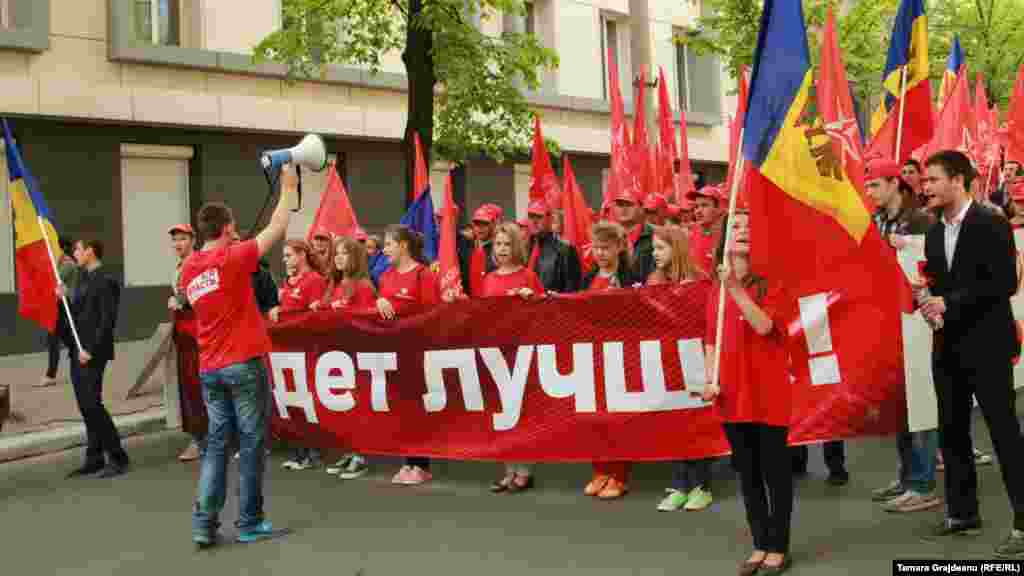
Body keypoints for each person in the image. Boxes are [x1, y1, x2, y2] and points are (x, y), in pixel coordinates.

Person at [179, 164, 297, 548]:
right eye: (232, 226)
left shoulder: (189, 269)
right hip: (243, 362)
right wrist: (289, 185)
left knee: (215, 445)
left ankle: (204, 523)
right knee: (250, 443)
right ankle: (249, 521)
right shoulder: (233, 259)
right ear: (228, 228)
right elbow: (277, 228)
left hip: (210, 368)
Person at [917, 150, 1024, 557]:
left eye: (932, 180)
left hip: (989, 345)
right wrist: (930, 307)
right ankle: (962, 512)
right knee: (953, 432)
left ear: (958, 180)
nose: (925, 188)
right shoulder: (931, 232)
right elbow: (939, 285)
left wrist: (950, 303)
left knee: (1004, 434)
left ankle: (1022, 521)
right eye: (924, 181)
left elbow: (1001, 285)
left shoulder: (992, 223)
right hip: (948, 347)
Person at [703, 206, 796, 575]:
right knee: (748, 472)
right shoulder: (715, 290)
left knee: (775, 471)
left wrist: (735, 289)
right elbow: (710, 340)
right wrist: (710, 378)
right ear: (724, 237)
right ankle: (759, 543)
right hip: (732, 393)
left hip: (768, 391)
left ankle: (779, 545)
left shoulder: (773, 282)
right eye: (736, 225)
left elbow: (763, 325)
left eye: (750, 226)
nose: (743, 231)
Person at [863, 158, 942, 513]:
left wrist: (904, 246)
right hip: (888, 317)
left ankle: (924, 482)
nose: (869, 192)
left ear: (895, 183)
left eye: (875, 185)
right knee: (901, 400)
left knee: (921, 400)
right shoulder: (879, 219)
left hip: (918, 320)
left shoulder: (921, 219)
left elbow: (934, 265)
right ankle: (908, 474)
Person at [650, 226, 715, 512]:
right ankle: (680, 485)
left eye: (660, 248)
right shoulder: (655, 280)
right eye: (653, 248)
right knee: (674, 424)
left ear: (676, 249)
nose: (655, 254)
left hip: (696, 360)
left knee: (697, 423)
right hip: (668, 362)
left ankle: (701, 486)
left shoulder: (700, 281)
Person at [482, 223, 545, 494]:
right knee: (503, 413)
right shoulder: (488, 279)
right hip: (497, 352)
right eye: (498, 244)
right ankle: (509, 470)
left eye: (507, 244)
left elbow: (545, 310)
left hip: (523, 351)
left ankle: (525, 471)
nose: (502, 249)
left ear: (516, 247)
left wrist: (531, 299)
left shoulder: (528, 276)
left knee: (522, 412)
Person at [377, 225, 441, 485]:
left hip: (417, 350)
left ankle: (421, 464)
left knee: (417, 408)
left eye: (389, 244)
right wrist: (378, 302)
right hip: (392, 351)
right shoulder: (385, 277)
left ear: (403, 245)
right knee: (401, 408)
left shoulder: (423, 275)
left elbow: (432, 315)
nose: (384, 249)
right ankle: (408, 461)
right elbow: (381, 308)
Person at [61, 239, 130, 479]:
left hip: (92, 353)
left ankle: (118, 456)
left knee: (92, 404)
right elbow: (76, 317)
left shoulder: (106, 281)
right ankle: (94, 457)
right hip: (77, 351)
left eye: (78, 250)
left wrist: (90, 349)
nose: (75, 254)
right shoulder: (82, 280)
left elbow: (106, 321)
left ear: (90, 252)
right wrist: (63, 299)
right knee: (86, 406)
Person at [314, 235, 376, 481]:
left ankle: (361, 455)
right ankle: (350, 451)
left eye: (345, 253)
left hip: (358, 356)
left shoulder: (363, 286)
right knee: (344, 408)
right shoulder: (335, 286)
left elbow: (368, 322)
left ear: (356, 258)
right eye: (336, 253)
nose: (338, 257)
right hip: (338, 356)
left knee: (359, 406)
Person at [581, 221, 635, 500]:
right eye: (597, 248)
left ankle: (619, 475)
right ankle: (600, 470)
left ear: (619, 248)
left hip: (619, 354)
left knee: (617, 417)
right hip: (590, 356)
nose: (600, 253)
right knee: (594, 417)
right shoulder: (586, 278)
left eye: (606, 248)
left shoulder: (630, 277)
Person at [275, 238, 328, 471]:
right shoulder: (288, 282)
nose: (285, 260)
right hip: (288, 350)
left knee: (307, 401)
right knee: (293, 399)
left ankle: (312, 452)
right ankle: (300, 451)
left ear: (302, 255)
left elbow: (314, 316)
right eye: (284, 256)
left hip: (306, 349)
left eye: (289, 255)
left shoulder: (314, 281)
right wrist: (277, 309)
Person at [167, 223, 204, 463]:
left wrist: (182, 301)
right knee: (189, 387)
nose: (178, 244)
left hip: (199, 334)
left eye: (182, 239)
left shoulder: (199, 262)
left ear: (192, 239)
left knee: (198, 387)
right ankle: (201, 436)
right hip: (183, 334)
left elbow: (202, 292)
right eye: (175, 240)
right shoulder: (179, 267)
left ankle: (201, 439)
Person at [38, 237, 78, 388]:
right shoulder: (63, 262)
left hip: (63, 305)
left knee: (54, 337)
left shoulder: (67, 264)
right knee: (63, 337)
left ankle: (51, 374)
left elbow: (55, 279)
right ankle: (80, 354)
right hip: (60, 304)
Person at [525, 199, 581, 294]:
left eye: (539, 217)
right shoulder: (524, 248)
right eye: (531, 216)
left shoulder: (565, 249)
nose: (534, 221)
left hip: (554, 305)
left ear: (550, 219)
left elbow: (572, 290)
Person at [610, 190, 656, 281]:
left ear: (641, 208)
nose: (623, 209)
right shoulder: (608, 236)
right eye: (620, 205)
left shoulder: (655, 234)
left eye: (629, 205)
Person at [685, 185, 725, 277]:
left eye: (704, 205)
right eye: (696, 206)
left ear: (719, 208)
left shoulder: (728, 235)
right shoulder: (691, 233)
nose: (698, 211)